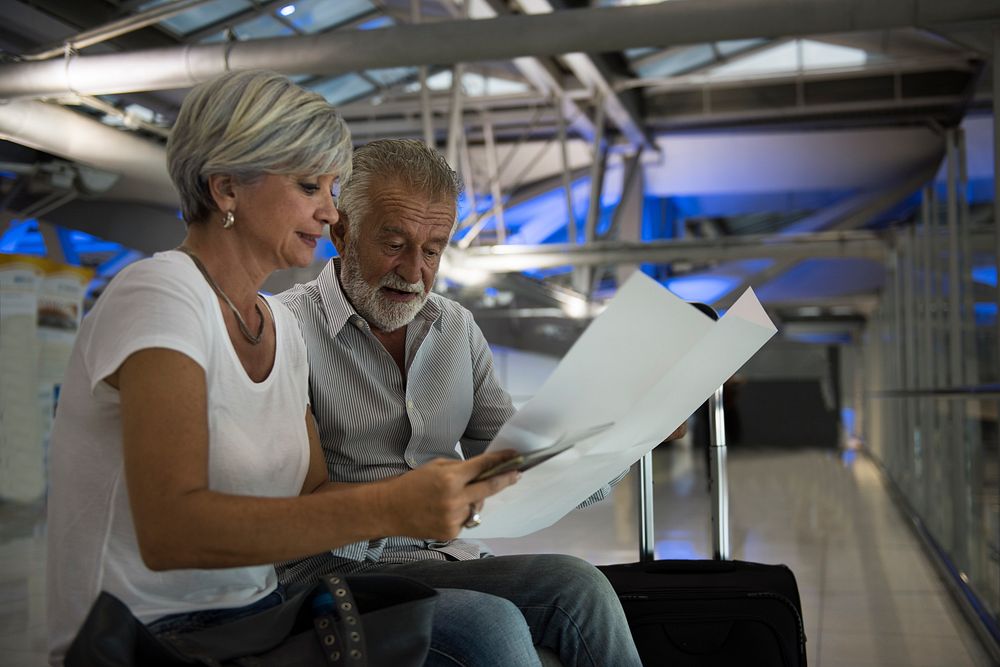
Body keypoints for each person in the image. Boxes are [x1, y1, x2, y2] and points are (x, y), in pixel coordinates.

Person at [44, 72, 523, 666]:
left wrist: (431, 505)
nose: (329, 213)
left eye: (332, 187)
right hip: (153, 637)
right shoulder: (160, 294)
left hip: (258, 616)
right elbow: (172, 530)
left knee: (546, 596)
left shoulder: (278, 326)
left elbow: (316, 492)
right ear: (226, 190)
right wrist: (393, 507)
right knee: (487, 627)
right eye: (308, 186)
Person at [277, 139, 644, 667]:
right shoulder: (289, 328)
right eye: (394, 244)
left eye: (432, 250)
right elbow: (288, 500)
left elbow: (514, 453)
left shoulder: (453, 327)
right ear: (342, 232)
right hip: (336, 571)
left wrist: (627, 432)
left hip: (444, 557)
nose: (413, 271)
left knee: (579, 585)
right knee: (490, 625)